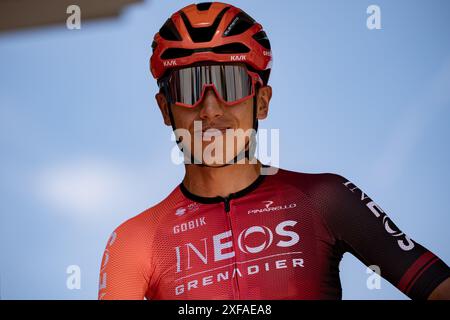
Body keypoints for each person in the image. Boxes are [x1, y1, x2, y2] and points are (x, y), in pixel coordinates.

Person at [98, 2, 450, 300]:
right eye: (188, 89)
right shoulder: (135, 241)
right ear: (165, 109)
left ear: (262, 101)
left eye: (229, 84)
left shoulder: (325, 198)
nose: (209, 110)